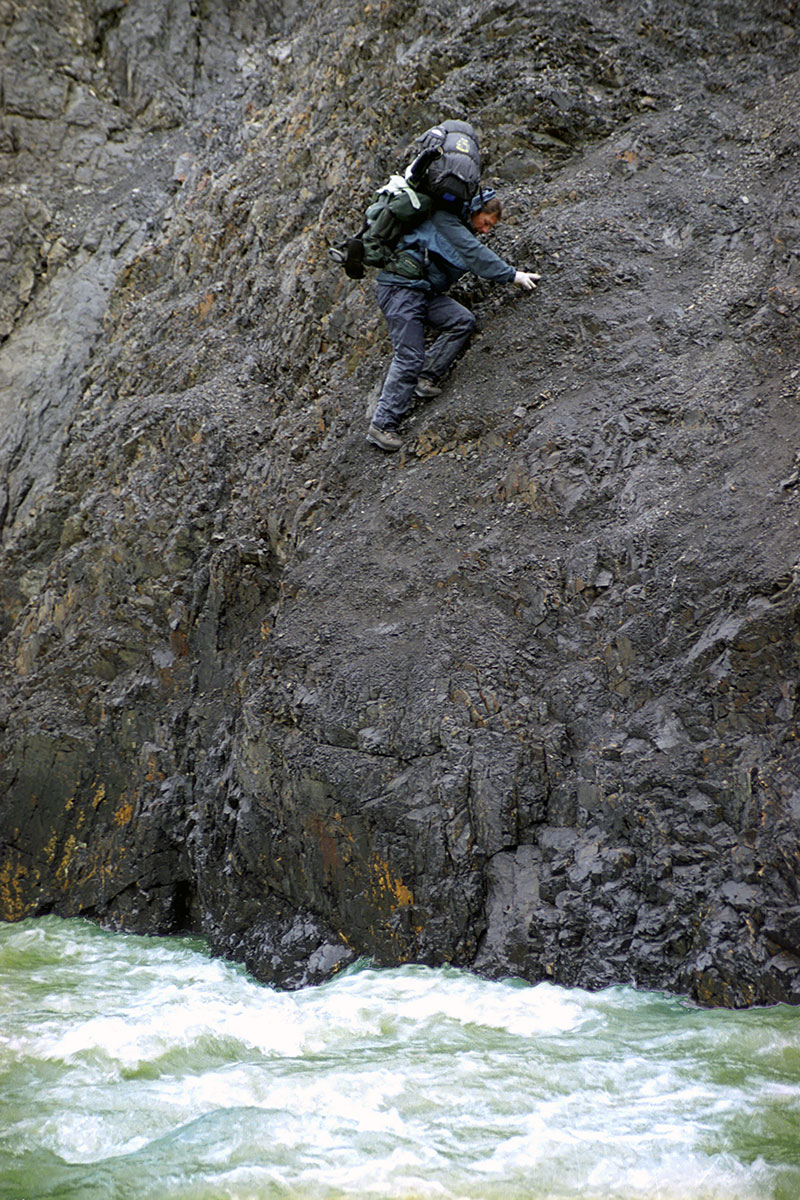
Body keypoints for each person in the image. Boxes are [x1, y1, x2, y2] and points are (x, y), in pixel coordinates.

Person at [366, 193, 540, 452]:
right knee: (409, 356)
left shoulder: (456, 224)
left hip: (421, 291)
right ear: (475, 210)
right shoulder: (446, 221)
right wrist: (512, 275)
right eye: (485, 222)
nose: (485, 230)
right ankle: (381, 425)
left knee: (461, 320)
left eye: (490, 227)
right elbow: (475, 255)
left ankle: (425, 375)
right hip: (400, 290)